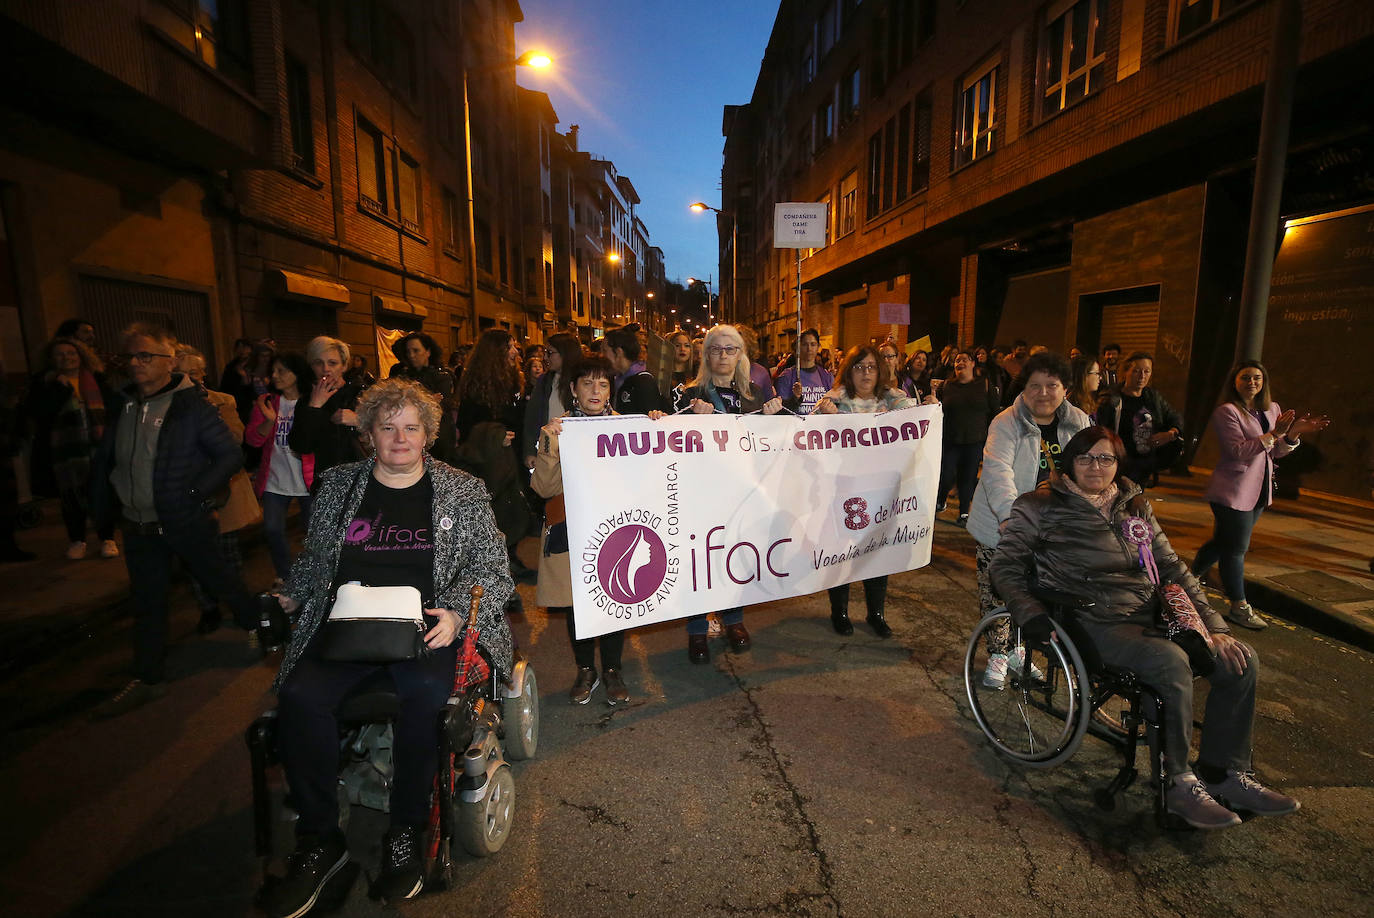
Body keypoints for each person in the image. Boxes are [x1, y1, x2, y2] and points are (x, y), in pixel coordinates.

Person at [265, 378, 514, 914]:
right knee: (301, 698)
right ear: (369, 436)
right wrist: (291, 595)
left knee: (425, 703)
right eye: (387, 427)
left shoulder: (461, 490)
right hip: (347, 628)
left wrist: (453, 612)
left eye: (411, 428)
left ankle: (406, 830)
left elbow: (494, 570)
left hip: (425, 628)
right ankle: (319, 839)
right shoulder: (337, 486)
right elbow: (314, 562)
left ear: (428, 435)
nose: (399, 438)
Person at [990, 426, 1300, 830]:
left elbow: (1172, 568)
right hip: (1090, 619)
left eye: (1105, 458)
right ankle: (1178, 783)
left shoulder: (1133, 504)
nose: (1095, 467)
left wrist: (1213, 626)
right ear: (1069, 462)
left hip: (1153, 614)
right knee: (1169, 663)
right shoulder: (1039, 505)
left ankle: (1226, 773)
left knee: (1241, 660)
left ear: (1118, 464)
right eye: (1085, 458)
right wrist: (1031, 614)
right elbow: (1006, 567)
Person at [89, 324, 259, 718]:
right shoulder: (125, 405)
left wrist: (196, 494)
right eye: (130, 356)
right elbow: (110, 461)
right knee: (148, 603)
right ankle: (148, 678)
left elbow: (230, 455)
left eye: (145, 356)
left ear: (168, 362)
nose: (135, 364)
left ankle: (260, 623)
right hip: (139, 525)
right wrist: (105, 503)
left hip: (185, 520)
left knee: (221, 580)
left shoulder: (191, 406)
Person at [966, 352, 1090, 688]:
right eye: (1035, 386)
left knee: (1032, 594)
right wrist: (1011, 518)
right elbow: (997, 471)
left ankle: (1018, 651)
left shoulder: (1078, 422)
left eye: (1052, 385)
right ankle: (997, 653)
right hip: (1003, 525)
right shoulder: (1006, 422)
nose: (1044, 393)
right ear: (1024, 388)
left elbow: (1090, 470)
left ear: (1066, 388)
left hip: (1052, 530)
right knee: (997, 592)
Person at [1190, 361, 1330, 630]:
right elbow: (1237, 451)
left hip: (1259, 492)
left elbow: (1275, 452)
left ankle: (1190, 576)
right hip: (1232, 492)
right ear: (1235, 382)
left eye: (1257, 378)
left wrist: (1294, 433)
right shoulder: (1227, 412)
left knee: (1223, 542)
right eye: (1245, 378)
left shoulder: (1271, 409)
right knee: (1236, 549)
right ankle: (1238, 606)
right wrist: (1274, 434)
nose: (1252, 382)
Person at [675, 324, 783, 662]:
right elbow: (668, 439)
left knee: (737, 553)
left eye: (730, 349)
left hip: (742, 490)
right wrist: (688, 419)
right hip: (701, 493)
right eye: (716, 349)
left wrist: (773, 420)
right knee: (702, 558)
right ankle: (697, 629)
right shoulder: (688, 394)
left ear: (741, 355)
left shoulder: (755, 394)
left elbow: (771, 447)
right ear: (705, 355)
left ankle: (734, 618)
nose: (723, 355)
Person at [531, 356, 632, 704]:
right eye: (587, 383)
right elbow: (543, 489)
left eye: (603, 384)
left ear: (610, 392)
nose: (595, 390)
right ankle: (586, 668)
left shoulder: (627, 427)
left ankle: (613, 669)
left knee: (618, 595)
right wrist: (548, 446)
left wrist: (655, 426)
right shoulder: (558, 430)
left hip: (615, 528)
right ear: (573, 390)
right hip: (572, 530)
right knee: (578, 604)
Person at [813, 345, 917, 637]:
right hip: (844, 489)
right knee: (842, 551)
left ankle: (876, 613)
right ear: (849, 370)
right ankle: (840, 612)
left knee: (877, 551)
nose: (866, 373)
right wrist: (824, 415)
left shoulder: (893, 399)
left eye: (871, 366)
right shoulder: (835, 400)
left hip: (881, 489)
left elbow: (916, 416)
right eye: (859, 367)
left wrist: (929, 407)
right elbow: (810, 431)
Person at [177, 347, 260, 634]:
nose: (189, 379)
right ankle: (208, 608)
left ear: (203, 375)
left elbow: (237, 438)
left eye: (194, 372)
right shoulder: (167, 405)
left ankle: (241, 610)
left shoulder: (222, 401)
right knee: (193, 558)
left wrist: (210, 413)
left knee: (228, 557)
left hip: (221, 493)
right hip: (184, 494)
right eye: (182, 373)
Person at [27, 336, 119, 560]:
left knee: (102, 493)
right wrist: (60, 389)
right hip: (65, 453)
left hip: (98, 447)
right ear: (52, 358)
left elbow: (112, 410)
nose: (66, 358)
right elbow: (41, 415)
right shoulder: (45, 384)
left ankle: (107, 538)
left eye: (71, 353)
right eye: (60, 354)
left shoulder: (96, 379)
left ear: (81, 355)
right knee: (71, 495)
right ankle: (77, 540)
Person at [246, 351, 317, 587]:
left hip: (307, 481)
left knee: (312, 534)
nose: (275, 376)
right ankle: (285, 576)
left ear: (297, 374)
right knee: (272, 529)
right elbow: (253, 440)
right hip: (274, 481)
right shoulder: (267, 402)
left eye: (282, 371)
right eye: (273, 372)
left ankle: (311, 577)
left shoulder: (312, 401)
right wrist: (268, 420)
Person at [933, 350, 1001, 524]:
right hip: (950, 440)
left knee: (968, 477)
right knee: (946, 474)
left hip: (974, 441)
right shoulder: (947, 386)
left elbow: (994, 413)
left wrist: (993, 437)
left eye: (964, 359)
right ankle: (941, 499)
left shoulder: (985, 385)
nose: (959, 363)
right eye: (957, 360)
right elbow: (936, 410)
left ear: (973, 364)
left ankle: (964, 512)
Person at [1096, 351, 1183, 487]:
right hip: (1120, 464)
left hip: (1145, 465)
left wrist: (1171, 433)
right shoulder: (1111, 399)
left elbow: (1173, 416)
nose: (1142, 376)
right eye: (1136, 371)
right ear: (1126, 372)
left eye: (1147, 371)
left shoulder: (1152, 397)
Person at [289, 336, 365, 481]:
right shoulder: (307, 400)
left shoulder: (362, 393)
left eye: (332, 363)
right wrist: (314, 407)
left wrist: (359, 420)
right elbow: (300, 446)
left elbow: (389, 429)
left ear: (344, 366)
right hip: (326, 483)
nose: (326, 369)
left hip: (362, 480)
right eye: (318, 363)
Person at [389, 332, 457, 461]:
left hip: (439, 436)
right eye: (408, 352)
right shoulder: (402, 376)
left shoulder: (442, 376)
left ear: (428, 352)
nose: (412, 355)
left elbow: (441, 406)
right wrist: (428, 399)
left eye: (416, 351)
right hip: (411, 435)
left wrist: (413, 400)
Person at [522, 333, 582, 471]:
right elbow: (532, 417)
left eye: (550, 352)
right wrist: (530, 451)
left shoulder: (583, 379)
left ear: (566, 353)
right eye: (545, 352)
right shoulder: (545, 381)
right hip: (549, 451)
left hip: (577, 451)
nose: (545, 358)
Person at [601, 324, 665, 415]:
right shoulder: (616, 380)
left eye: (604, 350)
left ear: (618, 352)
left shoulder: (644, 382)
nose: (601, 355)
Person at [775, 328, 833, 414]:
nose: (809, 348)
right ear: (798, 347)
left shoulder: (826, 376)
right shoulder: (786, 376)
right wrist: (795, 399)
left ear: (818, 347)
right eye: (805, 344)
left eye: (813, 344)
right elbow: (780, 410)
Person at [1066, 354, 1102, 420]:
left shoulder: (1087, 399)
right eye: (1096, 373)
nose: (1100, 377)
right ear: (1084, 375)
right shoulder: (1072, 404)